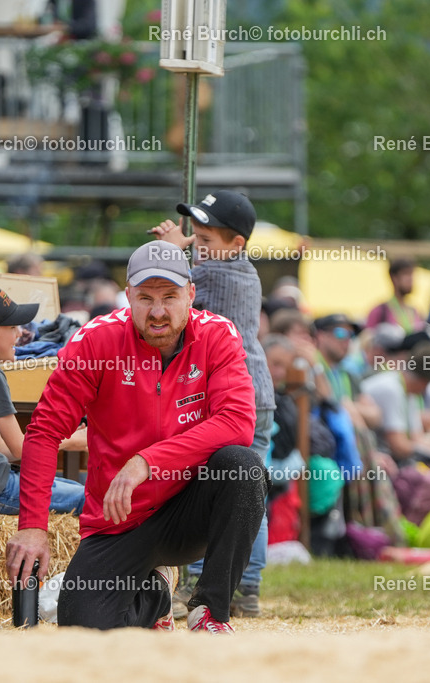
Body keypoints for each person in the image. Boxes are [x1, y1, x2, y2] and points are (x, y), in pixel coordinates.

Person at [6, 241, 267, 634]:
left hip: (188, 509)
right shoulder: (95, 341)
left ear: (190, 295)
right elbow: (43, 431)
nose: (158, 311)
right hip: (119, 519)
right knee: (82, 629)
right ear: (128, 296)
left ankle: (210, 609)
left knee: (242, 468)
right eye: (145, 297)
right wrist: (33, 526)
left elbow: (238, 423)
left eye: (170, 297)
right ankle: (156, 592)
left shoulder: (217, 334)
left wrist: (147, 461)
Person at [151, 190, 274, 619]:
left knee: (237, 491)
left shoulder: (220, 275)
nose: (197, 246)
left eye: (205, 239)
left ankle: (233, 583)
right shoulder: (234, 268)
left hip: (239, 398)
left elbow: (169, 289)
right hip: (243, 393)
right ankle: (243, 585)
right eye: (195, 238)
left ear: (235, 244)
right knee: (240, 489)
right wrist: (184, 247)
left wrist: (168, 252)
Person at [0, 286, 85, 516]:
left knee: (80, 490)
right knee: (87, 499)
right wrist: (72, 440)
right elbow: (20, 448)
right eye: (12, 327)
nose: (20, 334)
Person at [365, 257, 425, 334]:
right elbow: (366, 340)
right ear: (394, 278)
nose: (410, 279)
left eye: (412, 274)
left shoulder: (416, 312)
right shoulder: (380, 311)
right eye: (406, 274)